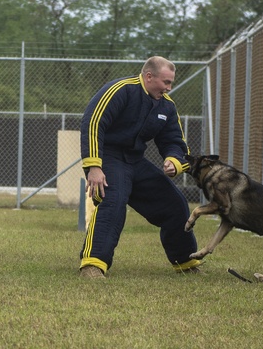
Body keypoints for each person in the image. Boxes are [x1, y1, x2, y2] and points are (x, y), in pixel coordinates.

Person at [78, 56, 200, 278]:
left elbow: (175, 142)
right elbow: (93, 122)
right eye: (166, 82)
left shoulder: (167, 106)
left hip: (135, 161)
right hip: (108, 158)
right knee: (113, 201)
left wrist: (174, 161)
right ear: (149, 76)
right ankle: (93, 265)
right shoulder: (121, 90)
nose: (168, 88)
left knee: (175, 203)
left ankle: (186, 262)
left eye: (171, 83)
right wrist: (94, 166)